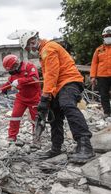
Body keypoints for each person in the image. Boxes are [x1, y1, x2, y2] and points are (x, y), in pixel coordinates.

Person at [20, 30, 95, 163]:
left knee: (67, 104)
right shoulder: (44, 51)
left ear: (32, 42)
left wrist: (44, 97)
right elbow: (50, 76)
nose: (29, 50)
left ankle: (85, 145)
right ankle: (56, 148)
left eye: (28, 48)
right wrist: (48, 98)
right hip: (58, 86)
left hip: (70, 81)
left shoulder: (48, 49)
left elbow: (51, 74)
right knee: (54, 114)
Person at [0, 54, 41, 142]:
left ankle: (36, 138)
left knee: (36, 119)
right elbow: (9, 83)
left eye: (11, 69)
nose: (10, 71)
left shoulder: (29, 67)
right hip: (21, 98)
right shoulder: (14, 74)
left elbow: (35, 79)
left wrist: (20, 81)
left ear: (16, 65)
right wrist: (1, 89)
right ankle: (12, 136)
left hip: (34, 98)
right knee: (15, 116)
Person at [90, 26, 111, 119]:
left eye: (109, 35)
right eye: (106, 36)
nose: (107, 37)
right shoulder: (98, 50)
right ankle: (107, 112)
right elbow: (94, 63)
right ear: (103, 37)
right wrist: (93, 77)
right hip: (102, 76)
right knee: (104, 95)